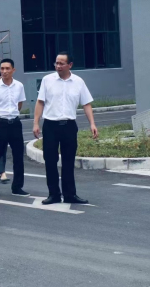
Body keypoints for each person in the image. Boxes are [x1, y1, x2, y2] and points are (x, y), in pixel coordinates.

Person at [33, 52, 98, 205]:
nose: (58, 66)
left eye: (62, 63)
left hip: (69, 126)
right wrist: (36, 123)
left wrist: (92, 124)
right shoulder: (47, 80)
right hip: (50, 125)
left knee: (68, 161)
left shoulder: (78, 82)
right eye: (56, 63)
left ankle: (70, 194)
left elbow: (86, 104)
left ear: (70, 65)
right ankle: (53, 194)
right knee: (50, 160)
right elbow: (40, 102)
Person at [0, 60, 29, 197]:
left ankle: (17, 187)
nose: (4, 71)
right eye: (2, 68)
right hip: (0, 123)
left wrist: (12, 114)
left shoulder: (19, 85)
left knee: (18, 156)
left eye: (7, 68)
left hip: (15, 123)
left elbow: (19, 104)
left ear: (13, 70)